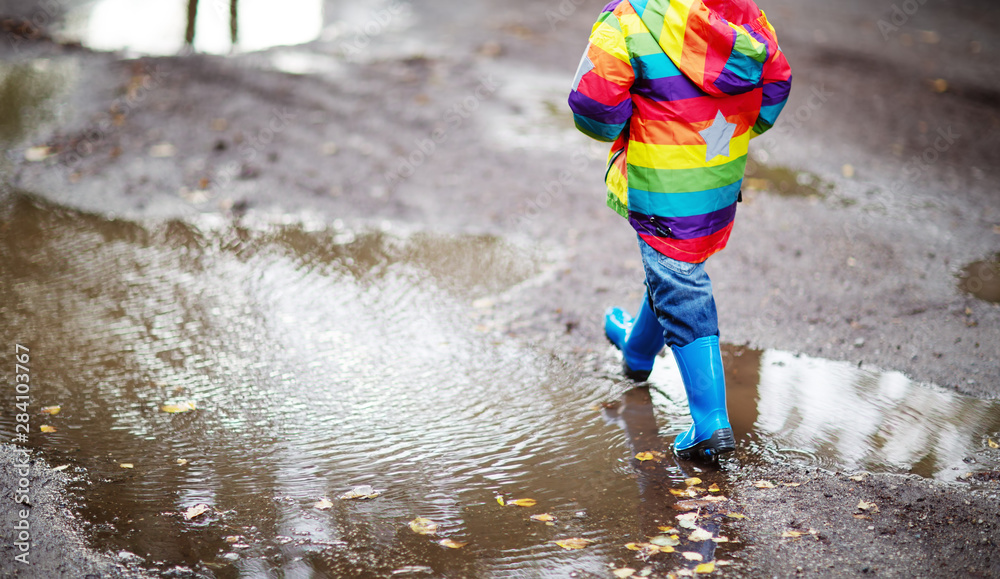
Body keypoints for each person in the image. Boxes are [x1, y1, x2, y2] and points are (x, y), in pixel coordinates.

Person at [568, 0, 791, 460]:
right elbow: (775, 85)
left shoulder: (628, 19)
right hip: (716, 176)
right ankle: (636, 352)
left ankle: (710, 421)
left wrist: (642, 119)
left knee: (679, 278)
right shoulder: (745, 15)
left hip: (661, 181)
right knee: (671, 264)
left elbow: (593, 107)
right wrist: (730, 133)